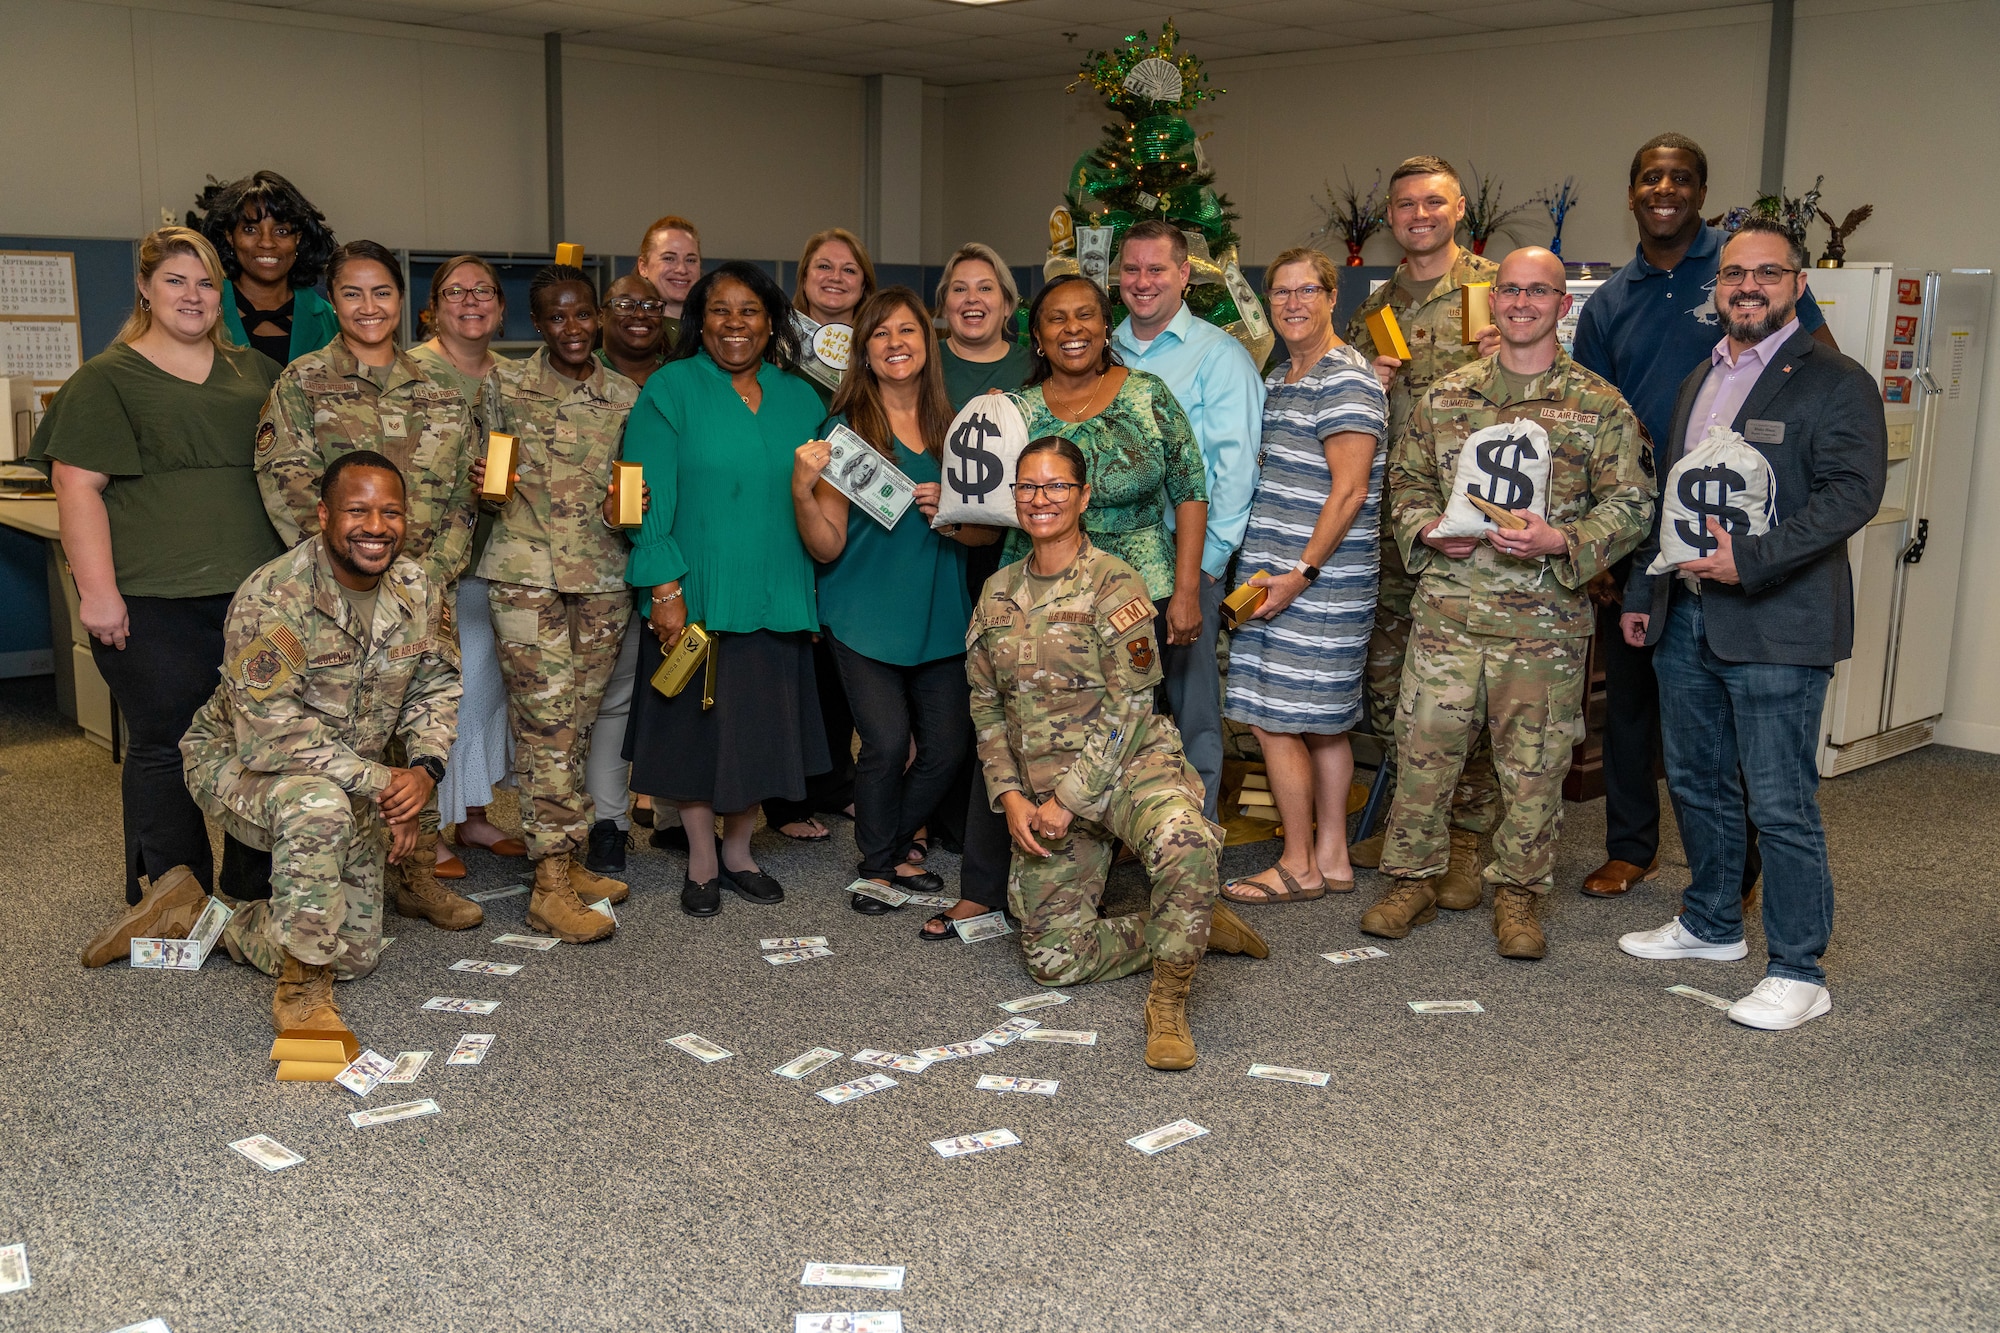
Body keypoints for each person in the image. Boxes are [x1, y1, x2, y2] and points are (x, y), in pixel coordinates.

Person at [1617, 219, 1885, 1030]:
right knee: (1697, 783)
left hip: (1778, 621)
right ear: (1718, 287)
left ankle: (1801, 967)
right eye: (1736, 273)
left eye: (1769, 273)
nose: (1749, 286)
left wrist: (1754, 557)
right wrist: (1641, 588)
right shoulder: (1702, 375)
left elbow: (1852, 495)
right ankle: (1710, 923)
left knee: (1778, 797)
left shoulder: (1836, 381)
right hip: (1688, 615)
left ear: (1798, 285)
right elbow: (1673, 492)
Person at [1363, 248, 1654, 960]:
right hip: (1449, 615)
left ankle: (1520, 897)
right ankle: (1412, 880)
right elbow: (1403, 482)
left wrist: (1566, 539)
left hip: (1542, 623)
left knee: (1534, 767)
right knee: (1424, 752)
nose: (1522, 301)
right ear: (1492, 302)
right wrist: (1426, 530)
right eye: (1511, 290)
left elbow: (1635, 503)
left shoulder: (1598, 404)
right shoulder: (1447, 397)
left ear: (1562, 304)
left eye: (1538, 291)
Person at [1570, 132, 1833, 901]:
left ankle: (1739, 863)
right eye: (1650, 176)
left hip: (1731, 526)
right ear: (1631, 194)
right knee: (1632, 696)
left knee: (1730, 706)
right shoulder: (1611, 299)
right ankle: (1632, 846)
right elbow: (1586, 420)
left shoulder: (1741, 272)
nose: (1665, 189)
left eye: (1681, 178)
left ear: (1700, 192)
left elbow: (1814, 368)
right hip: (1635, 524)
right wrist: (1598, 549)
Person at [966, 437, 1267, 1071]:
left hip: (1129, 767)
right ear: (1014, 496)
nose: (1040, 499)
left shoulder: (1114, 583)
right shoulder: (996, 592)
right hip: (1041, 790)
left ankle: (1170, 1002)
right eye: (1028, 487)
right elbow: (985, 705)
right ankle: (1193, 926)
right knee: (1052, 961)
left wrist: (1067, 801)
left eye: (1055, 487)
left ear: (1083, 496)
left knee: (1188, 844)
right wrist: (1012, 796)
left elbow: (1132, 708)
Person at [34, 226, 284, 963]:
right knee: (166, 742)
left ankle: (249, 887)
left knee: (257, 742)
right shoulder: (107, 378)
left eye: (206, 283)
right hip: (152, 598)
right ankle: (176, 894)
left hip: (255, 597)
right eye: (176, 281)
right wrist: (98, 592)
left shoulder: (255, 371)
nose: (193, 296)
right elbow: (75, 486)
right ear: (145, 288)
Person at [183, 452, 460, 1040]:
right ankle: (303, 989)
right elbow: (269, 737)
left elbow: (436, 684)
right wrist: (385, 785)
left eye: (391, 512)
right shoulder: (273, 597)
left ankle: (202, 918)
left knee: (357, 956)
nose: (376, 527)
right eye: (357, 511)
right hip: (235, 761)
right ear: (323, 515)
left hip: (346, 770)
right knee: (318, 806)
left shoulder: (418, 587)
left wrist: (421, 772)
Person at [256, 238, 483, 932]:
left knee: (419, 723)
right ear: (332, 301)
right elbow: (287, 482)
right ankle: (343, 874)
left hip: (424, 596)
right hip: (336, 597)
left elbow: (465, 499)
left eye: (381, 292)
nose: (368, 306)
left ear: (402, 301)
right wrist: (341, 572)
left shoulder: (445, 386)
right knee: (347, 731)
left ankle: (417, 874)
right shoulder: (302, 382)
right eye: (352, 293)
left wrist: (428, 576)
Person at [623, 262, 830, 918]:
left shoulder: (803, 399)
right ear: (699, 320)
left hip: (777, 593)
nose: (733, 324)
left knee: (760, 733)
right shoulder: (670, 388)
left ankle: (740, 849)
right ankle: (703, 856)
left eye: (749, 311)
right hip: (696, 593)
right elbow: (644, 497)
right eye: (719, 310)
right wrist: (663, 587)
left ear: (773, 323)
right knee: (695, 733)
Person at [793, 288, 1000, 921]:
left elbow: (988, 532)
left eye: (907, 330)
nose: (895, 343)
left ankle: (895, 836)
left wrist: (953, 518)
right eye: (880, 334)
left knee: (948, 745)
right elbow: (826, 548)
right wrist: (804, 492)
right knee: (884, 745)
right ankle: (879, 865)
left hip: (939, 610)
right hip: (862, 611)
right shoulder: (844, 432)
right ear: (864, 351)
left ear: (927, 343)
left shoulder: (958, 428)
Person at [1344, 155, 1504, 899]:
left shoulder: (1494, 290)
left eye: (1432, 202)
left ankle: (1467, 837)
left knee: (1464, 688)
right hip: (1389, 523)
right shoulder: (1374, 308)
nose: (1419, 215)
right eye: (1405, 204)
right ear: (1391, 218)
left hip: (1470, 521)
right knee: (1389, 684)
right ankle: (1417, 823)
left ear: (1459, 208)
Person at [479, 264, 643, 942]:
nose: (572, 328)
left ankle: (569, 857)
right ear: (537, 325)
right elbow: (487, 480)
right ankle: (548, 883)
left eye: (583, 315)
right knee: (544, 726)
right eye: (557, 317)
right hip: (528, 571)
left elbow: (637, 485)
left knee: (574, 724)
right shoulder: (506, 385)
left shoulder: (627, 394)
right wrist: (487, 483)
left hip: (604, 576)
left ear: (598, 317)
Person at [1220, 248, 1388, 906]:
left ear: (1331, 296)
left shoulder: (1343, 376)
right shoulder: (1285, 375)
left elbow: (1348, 492)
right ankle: (1333, 858)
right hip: (1279, 577)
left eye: (1307, 290)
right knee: (1323, 725)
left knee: (1275, 720)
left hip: (1315, 584)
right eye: (1281, 292)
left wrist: (1301, 573)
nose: (1293, 303)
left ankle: (1296, 864)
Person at [1108, 219, 1266, 821]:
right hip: (1107, 565)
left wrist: (1197, 573)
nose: (1142, 281)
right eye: (1131, 268)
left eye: (1156, 269)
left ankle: (1194, 835)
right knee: (1119, 701)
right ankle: (1124, 827)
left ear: (1183, 277)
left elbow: (1233, 474)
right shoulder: (1104, 351)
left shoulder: (1219, 356)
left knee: (1191, 704)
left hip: (1184, 563)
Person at [406, 255, 526, 877]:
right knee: (440, 693)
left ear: (502, 309)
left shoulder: (515, 379)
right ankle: (433, 833)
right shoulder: (408, 374)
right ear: (433, 308)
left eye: (484, 291)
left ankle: (474, 815)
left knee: (485, 689)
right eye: (457, 291)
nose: (471, 300)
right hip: (430, 561)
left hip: (500, 556)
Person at [764, 228, 877, 841]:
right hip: (787, 509)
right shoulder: (775, 346)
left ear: (865, 283)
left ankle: (836, 781)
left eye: (849, 270)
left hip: (861, 519)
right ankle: (784, 798)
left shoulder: (876, 344)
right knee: (790, 657)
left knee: (841, 656)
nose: (835, 278)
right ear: (803, 277)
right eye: (823, 268)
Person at [581, 272, 672, 874]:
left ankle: (671, 813)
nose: (638, 314)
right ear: (600, 313)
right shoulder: (579, 374)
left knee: (679, 690)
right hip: (600, 566)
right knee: (612, 700)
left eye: (650, 304)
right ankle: (608, 821)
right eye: (623, 304)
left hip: (673, 558)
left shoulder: (684, 375)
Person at [187, 170, 339, 370]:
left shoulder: (331, 318)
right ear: (230, 237)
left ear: (298, 238)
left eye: (281, 231)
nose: (267, 243)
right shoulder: (198, 307)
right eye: (250, 229)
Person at [936, 243, 1031, 409]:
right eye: (959, 289)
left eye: (985, 288)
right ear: (945, 307)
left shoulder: (1034, 368)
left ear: (1007, 305)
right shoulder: (924, 362)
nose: (972, 298)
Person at [635, 215, 702, 347]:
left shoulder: (716, 326)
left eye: (690, 260)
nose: (682, 269)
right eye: (669, 258)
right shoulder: (628, 329)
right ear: (643, 267)